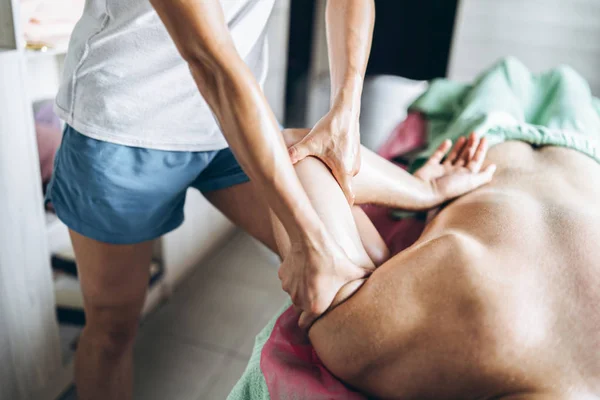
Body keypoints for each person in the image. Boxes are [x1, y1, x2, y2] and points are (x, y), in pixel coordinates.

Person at [46, 1, 377, 398]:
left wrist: (346, 109)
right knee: (112, 328)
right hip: (125, 122)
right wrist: (307, 239)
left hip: (233, 119)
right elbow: (213, 65)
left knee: (362, 269)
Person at [273, 121, 600, 398]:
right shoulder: (365, 342)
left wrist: (423, 189)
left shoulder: (379, 344)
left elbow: (298, 152)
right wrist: (419, 190)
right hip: (576, 143)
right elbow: (299, 153)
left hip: (488, 136)